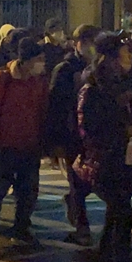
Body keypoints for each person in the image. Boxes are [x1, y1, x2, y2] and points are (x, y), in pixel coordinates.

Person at [77, 33, 132, 262]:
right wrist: (129, 130)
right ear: (109, 58)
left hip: (126, 161)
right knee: (122, 216)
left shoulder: (128, 85)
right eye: (125, 53)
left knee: (116, 218)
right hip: (104, 162)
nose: (130, 58)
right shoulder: (93, 89)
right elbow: (90, 131)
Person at [0, 37, 50, 245]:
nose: (42, 63)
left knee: (28, 191)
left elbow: (43, 112)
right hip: (4, 144)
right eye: (39, 59)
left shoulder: (40, 81)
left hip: (30, 145)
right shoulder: (3, 78)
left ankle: (21, 227)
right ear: (25, 60)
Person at [46, 24, 103, 246]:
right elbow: (55, 106)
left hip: (94, 134)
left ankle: (74, 205)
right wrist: (54, 141)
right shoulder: (65, 69)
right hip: (72, 135)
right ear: (77, 43)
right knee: (77, 181)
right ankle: (82, 228)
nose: (91, 48)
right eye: (88, 42)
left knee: (89, 181)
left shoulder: (101, 68)